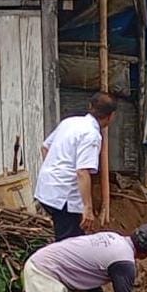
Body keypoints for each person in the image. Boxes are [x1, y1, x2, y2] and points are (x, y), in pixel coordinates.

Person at [35, 92, 117, 241]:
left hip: (46, 189)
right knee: (69, 242)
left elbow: (45, 147)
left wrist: (55, 172)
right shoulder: (92, 135)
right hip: (64, 197)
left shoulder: (69, 122)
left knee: (67, 235)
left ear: (90, 107)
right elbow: (82, 171)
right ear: (111, 116)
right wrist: (88, 208)